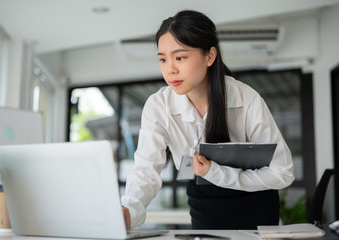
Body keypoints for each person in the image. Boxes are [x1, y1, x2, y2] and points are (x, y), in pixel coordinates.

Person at [121, 10, 294, 230]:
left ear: (209, 56)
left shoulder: (245, 98)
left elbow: (283, 172)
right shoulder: (158, 106)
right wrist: (129, 211)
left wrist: (216, 172)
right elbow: (145, 170)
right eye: (163, 59)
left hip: (257, 207)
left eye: (180, 57)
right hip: (205, 206)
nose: (170, 69)